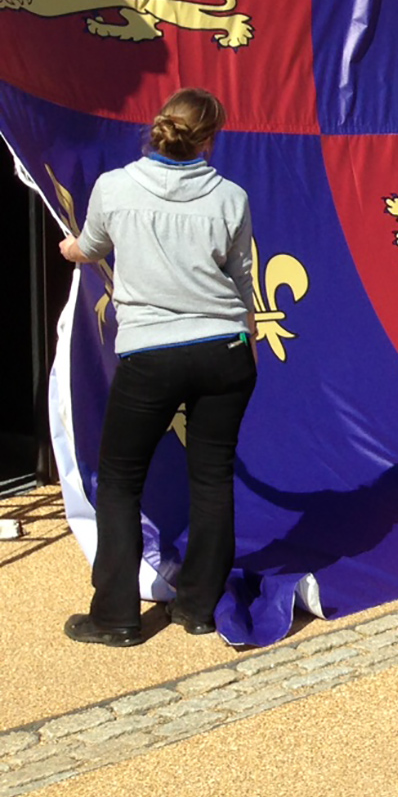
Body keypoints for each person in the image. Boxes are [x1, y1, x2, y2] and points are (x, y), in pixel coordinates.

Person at [57, 88, 257, 646]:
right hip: (224, 348)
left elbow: (92, 246)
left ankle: (116, 618)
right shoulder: (231, 197)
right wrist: (250, 339)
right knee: (213, 478)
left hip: (152, 354)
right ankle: (196, 609)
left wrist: (71, 250)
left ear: (158, 127)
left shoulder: (114, 187)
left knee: (120, 481)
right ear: (211, 138)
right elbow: (242, 279)